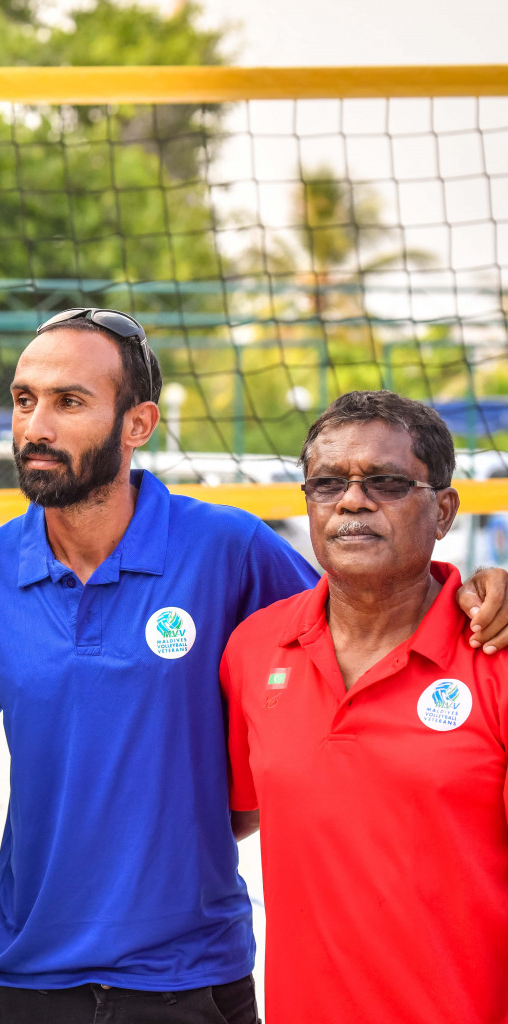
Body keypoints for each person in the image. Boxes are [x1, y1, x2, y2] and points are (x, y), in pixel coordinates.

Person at [0, 310, 508, 1024]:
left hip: (191, 975)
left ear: (138, 424)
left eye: (69, 401)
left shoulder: (230, 549)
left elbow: (366, 606)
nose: (36, 426)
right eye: (24, 398)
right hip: (29, 973)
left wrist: (476, 589)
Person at [221, 390, 508, 1024]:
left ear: (444, 511)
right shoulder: (254, 647)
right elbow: (233, 818)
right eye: (327, 484)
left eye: (385, 482)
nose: (352, 500)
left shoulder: (495, 652)